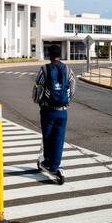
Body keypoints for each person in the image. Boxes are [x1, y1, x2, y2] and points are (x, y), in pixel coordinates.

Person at [33, 44, 76, 181]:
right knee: (59, 137)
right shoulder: (68, 70)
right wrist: (67, 101)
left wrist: (38, 101)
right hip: (63, 111)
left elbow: (37, 89)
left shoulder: (44, 70)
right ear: (60, 55)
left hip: (48, 110)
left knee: (48, 136)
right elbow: (73, 86)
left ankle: (47, 161)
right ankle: (55, 164)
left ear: (49, 55)